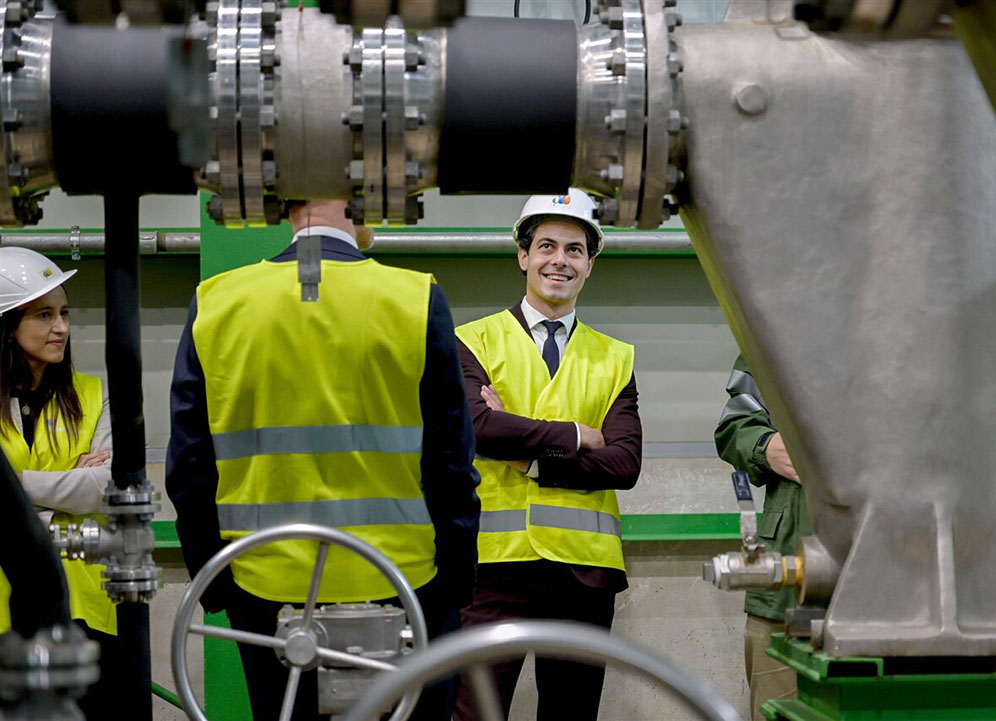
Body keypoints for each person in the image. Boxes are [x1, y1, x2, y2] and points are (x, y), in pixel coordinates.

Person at [166, 199, 481, 721]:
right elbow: (450, 461)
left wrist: (214, 582)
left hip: (264, 590)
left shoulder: (218, 303)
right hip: (402, 584)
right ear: (351, 197)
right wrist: (456, 582)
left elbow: (190, 465)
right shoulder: (414, 298)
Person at [453, 189, 642, 721]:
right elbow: (477, 427)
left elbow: (626, 464)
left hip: (584, 574)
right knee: (472, 714)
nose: (559, 260)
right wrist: (580, 436)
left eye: (575, 249)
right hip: (490, 568)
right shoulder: (472, 341)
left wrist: (530, 458)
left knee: (571, 715)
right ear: (523, 256)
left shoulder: (615, 357)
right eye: (547, 246)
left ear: (590, 264)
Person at [0, 247, 116, 720]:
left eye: (65, 314)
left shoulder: (91, 395)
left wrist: (11, 488)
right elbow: (83, 488)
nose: (61, 328)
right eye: (44, 315)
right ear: (8, 324)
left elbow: (107, 487)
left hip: (84, 605)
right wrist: (67, 485)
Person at [713, 353, 809, 721]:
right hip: (787, 589)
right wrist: (765, 446)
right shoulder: (779, 329)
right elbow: (735, 422)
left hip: (900, 586)